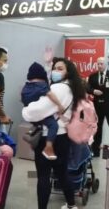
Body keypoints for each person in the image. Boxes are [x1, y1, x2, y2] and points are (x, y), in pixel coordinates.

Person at [22, 57, 86, 209]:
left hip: (48, 138)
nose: (55, 71)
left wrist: (25, 110)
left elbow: (35, 111)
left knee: (43, 176)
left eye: (60, 68)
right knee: (62, 173)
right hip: (62, 137)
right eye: (54, 68)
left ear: (68, 72)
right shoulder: (71, 88)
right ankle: (71, 205)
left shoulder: (59, 89)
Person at [21, 61, 65, 160]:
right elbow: (50, 95)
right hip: (39, 113)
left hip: (29, 114)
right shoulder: (42, 84)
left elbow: (22, 99)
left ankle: (31, 136)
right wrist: (59, 105)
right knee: (53, 125)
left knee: (38, 124)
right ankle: (48, 147)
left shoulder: (26, 86)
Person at [87, 57, 109, 157]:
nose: (99, 66)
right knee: (97, 129)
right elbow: (87, 88)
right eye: (98, 64)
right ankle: (95, 151)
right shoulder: (93, 76)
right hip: (97, 106)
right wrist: (93, 91)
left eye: (101, 64)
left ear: (105, 64)